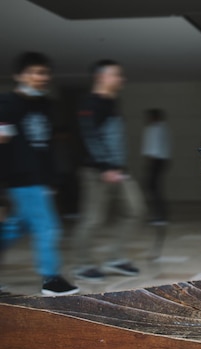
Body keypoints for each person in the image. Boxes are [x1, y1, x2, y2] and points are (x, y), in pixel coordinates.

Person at [0, 52, 79, 295]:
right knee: (47, 227)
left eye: (44, 73)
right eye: (35, 72)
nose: (40, 77)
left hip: (40, 179)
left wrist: (51, 178)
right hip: (21, 179)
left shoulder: (45, 105)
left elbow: (45, 145)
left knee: (15, 227)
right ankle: (51, 280)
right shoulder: (6, 104)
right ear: (19, 75)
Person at [72, 59, 145, 281]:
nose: (120, 79)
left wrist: (118, 167)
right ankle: (83, 264)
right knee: (93, 218)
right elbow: (90, 137)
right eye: (116, 75)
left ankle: (115, 257)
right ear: (101, 77)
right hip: (96, 171)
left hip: (119, 169)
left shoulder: (112, 102)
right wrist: (105, 166)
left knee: (135, 209)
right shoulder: (89, 104)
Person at [142, 108, 170, 225]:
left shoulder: (154, 129)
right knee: (154, 187)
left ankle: (160, 216)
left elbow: (153, 148)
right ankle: (160, 215)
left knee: (153, 188)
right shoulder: (163, 128)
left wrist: (149, 161)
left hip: (156, 161)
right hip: (161, 160)